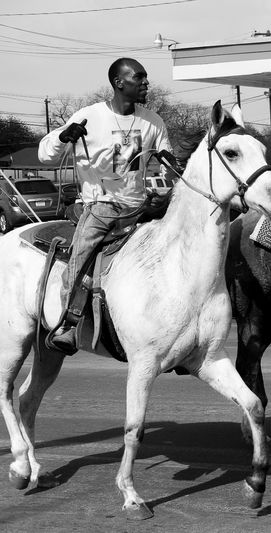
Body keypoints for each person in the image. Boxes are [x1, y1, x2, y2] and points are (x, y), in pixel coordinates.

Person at [38, 57, 171, 354]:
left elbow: (165, 156)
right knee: (80, 256)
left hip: (140, 208)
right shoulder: (90, 116)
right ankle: (68, 324)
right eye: (139, 78)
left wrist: (170, 169)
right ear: (119, 83)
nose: (146, 83)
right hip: (99, 206)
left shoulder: (153, 120)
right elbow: (45, 155)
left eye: (146, 78)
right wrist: (63, 136)